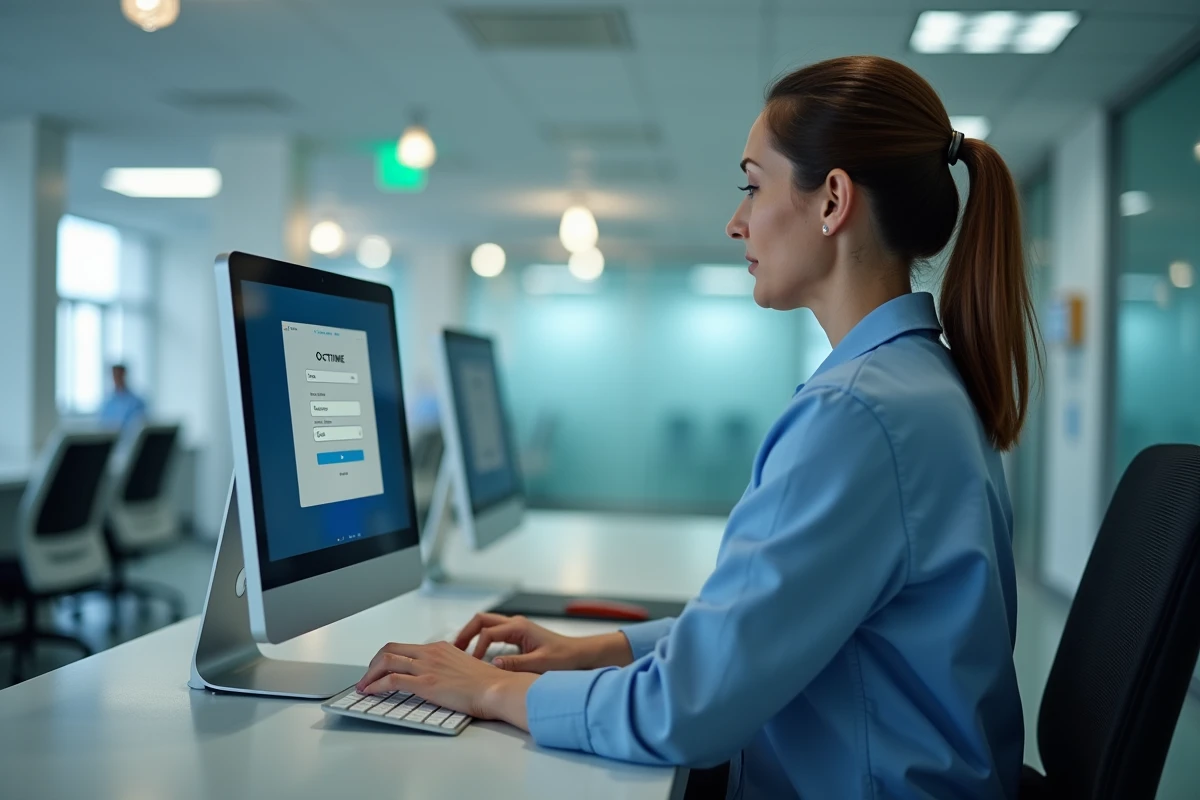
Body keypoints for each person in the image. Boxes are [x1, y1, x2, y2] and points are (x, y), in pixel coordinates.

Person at [357, 55, 1039, 799]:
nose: (736, 219)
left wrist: (489, 692)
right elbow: (759, 635)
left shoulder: (859, 414)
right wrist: (600, 650)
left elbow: (683, 713)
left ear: (832, 200)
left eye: (752, 185)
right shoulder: (916, 383)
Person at [98, 363, 147, 433]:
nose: (117, 378)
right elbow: (103, 425)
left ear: (124, 375)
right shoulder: (107, 402)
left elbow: (139, 424)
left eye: (119, 375)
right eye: (115, 375)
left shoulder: (137, 402)